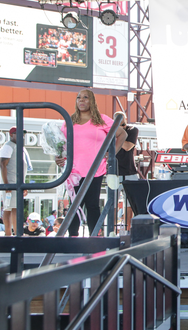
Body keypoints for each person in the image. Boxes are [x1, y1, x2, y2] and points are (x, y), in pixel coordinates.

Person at [55, 89, 127, 237]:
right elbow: (62, 145)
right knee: (74, 205)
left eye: (85, 97)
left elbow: (122, 134)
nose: (81, 100)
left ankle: (95, 239)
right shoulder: (69, 121)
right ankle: (72, 238)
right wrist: (59, 158)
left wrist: (110, 154)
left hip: (95, 169)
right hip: (73, 170)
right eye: (78, 97)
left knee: (92, 204)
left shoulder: (102, 119)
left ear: (92, 101)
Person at [0, 127, 33, 237]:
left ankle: (11, 234)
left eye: (22, 134)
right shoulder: (8, 146)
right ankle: (14, 234)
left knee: (11, 208)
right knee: (12, 208)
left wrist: (23, 185)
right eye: (18, 134)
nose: (21, 136)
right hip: (11, 183)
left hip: (17, 183)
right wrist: (6, 184)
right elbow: (3, 164)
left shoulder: (19, 147)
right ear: (11, 135)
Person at [115, 112, 139, 231]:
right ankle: (111, 229)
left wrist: (116, 134)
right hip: (114, 171)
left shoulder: (132, 129)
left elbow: (128, 146)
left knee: (130, 202)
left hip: (129, 171)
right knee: (112, 201)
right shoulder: (110, 130)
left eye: (120, 118)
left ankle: (128, 229)